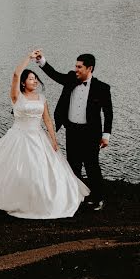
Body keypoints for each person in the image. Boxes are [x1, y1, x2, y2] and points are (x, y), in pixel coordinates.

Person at [0, 53, 90, 219]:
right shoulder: (17, 97)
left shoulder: (42, 98)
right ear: (23, 83)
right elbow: (16, 74)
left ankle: (42, 200)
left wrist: (53, 140)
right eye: (31, 79)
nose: (35, 81)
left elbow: (47, 120)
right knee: (16, 169)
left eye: (36, 79)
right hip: (18, 136)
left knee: (43, 170)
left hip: (38, 137)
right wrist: (29, 58)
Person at [32, 49, 112, 210]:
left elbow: (108, 113)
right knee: (73, 165)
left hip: (91, 133)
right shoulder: (70, 78)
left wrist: (106, 135)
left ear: (89, 68)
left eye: (79, 67)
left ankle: (98, 198)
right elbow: (54, 75)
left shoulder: (102, 88)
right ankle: (74, 196)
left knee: (92, 166)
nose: (76, 69)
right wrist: (41, 61)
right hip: (72, 130)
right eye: (75, 66)